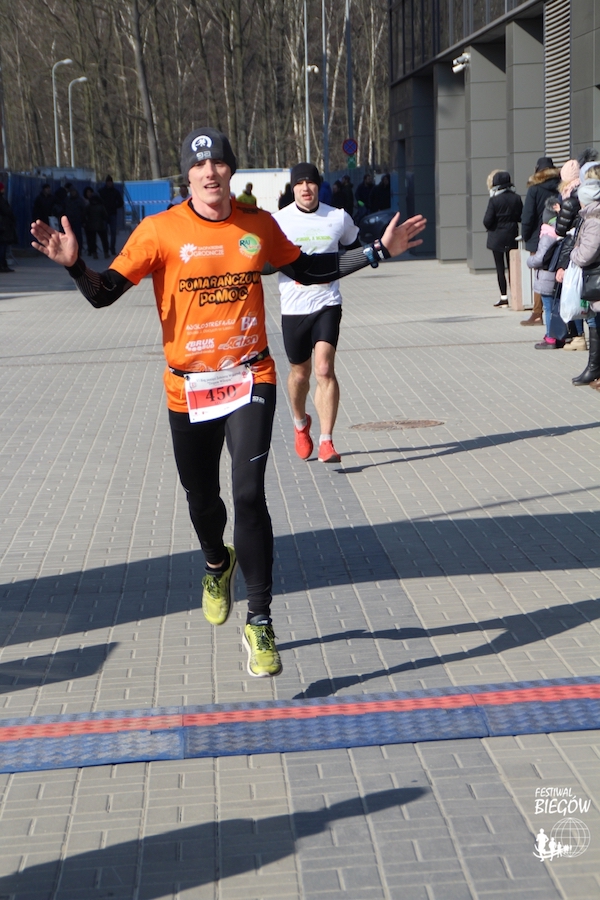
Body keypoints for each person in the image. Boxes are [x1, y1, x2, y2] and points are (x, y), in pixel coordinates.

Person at [31, 126, 426, 679]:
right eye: (199, 166)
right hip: (188, 387)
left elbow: (310, 270)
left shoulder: (257, 225)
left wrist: (377, 250)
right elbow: (104, 294)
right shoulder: (158, 230)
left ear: (230, 171)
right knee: (202, 500)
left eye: (218, 162)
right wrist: (76, 265)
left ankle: (260, 620)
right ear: (187, 177)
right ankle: (217, 563)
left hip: (250, 377)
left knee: (249, 495)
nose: (209, 172)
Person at [273, 162, 360, 464]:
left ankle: (326, 441)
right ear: (292, 188)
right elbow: (263, 259)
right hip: (293, 308)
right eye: (299, 183)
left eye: (310, 182)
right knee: (300, 374)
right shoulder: (278, 221)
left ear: (318, 185)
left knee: (323, 369)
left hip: (327, 303)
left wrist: (337, 269)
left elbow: (355, 250)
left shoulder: (337, 217)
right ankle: (300, 423)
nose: (305, 188)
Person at [520, 156, 561, 326]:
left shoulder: (535, 189)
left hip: (538, 237)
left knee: (540, 277)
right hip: (559, 235)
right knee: (558, 273)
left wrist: (525, 236)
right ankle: (558, 312)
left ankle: (537, 312)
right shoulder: (561, 187)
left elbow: (528, 216)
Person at [483, 170, 522, 307]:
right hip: (512, 235)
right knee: (512, 267)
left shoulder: (494, 200)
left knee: (500, 268)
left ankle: (504, 297)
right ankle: (515, 296)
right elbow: (521, 217)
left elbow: (487, 221)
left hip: (497, 237)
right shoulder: (516, 198)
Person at [526, 195, 561, 347]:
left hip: (546, 276)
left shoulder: (547, 235)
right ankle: (560, 335)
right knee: (556, 307)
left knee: (548, 308)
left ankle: (550, 337)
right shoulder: (560, 232)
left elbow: (540, 258)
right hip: (557, 275)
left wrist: (530, 261)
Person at [99, 176, 124, 254]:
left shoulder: (115, 192)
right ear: (106, 183)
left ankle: (112, 248)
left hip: (112, 213)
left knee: (113, 232)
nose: (109, 183)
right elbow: (98, 201)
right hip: (104, 214)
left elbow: (121, 202)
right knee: (104, 232)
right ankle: (106, 249)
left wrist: (114, 206)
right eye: (108, 182)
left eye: (110, 182)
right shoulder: (102, 191)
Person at [83, 187, 109, 259]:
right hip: (101, 225)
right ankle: (106, 253)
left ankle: (94, 253)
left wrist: (85, 222)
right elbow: (105, 216)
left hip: (91, 225)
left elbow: (84, 215)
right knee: (104, 239)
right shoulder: (101, 206)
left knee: (93, 240)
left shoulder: (88, 206)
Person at [64, 186, 87, 255]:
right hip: (69, 220)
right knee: (69, 236)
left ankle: (79, 250)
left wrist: (83, 220)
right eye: (71, 192)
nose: (73, 193)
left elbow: (83, 211)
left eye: (74, 192)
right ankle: (70, 250)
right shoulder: (67, 200)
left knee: (78, 236)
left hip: (77, 220)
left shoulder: (79, 200)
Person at [0, 183, 17, 272]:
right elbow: (7, 211)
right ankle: (2, 265)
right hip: (3, 226)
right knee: (3, 246)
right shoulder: (1, 200)